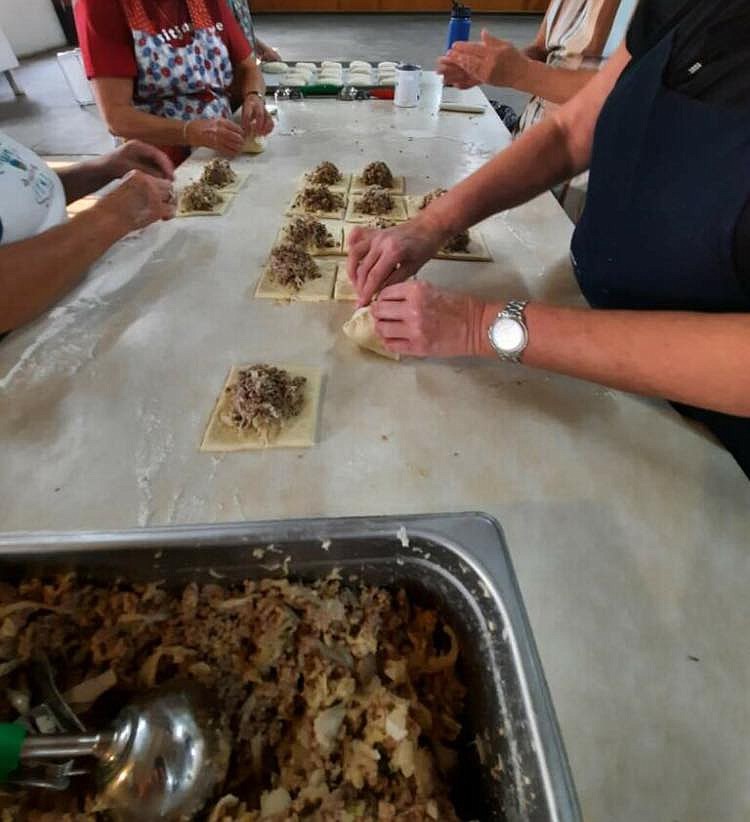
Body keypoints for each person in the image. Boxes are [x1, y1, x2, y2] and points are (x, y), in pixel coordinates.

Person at [347, 0, 750, 478]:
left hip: (717, 455)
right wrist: (431, 224)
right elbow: (570, 129)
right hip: (601, 365)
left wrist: (482, 325)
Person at [439, 0, 638, 220]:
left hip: (589, 179)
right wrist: (486, 66)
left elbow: (628, 92)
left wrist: (520, 73)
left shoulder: (662, 9)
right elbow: (544, 48)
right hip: (531, 151)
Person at [0, 133, 175, 334]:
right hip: (26, 340)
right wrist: (108, 217)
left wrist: (101, 169)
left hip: (73, 292)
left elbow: (24, 199)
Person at [74, 0, 274, 166]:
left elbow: (248, 67)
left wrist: (253, 96)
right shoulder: (102, 5)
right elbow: (117, 117)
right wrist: (190, 131)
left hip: (221, 148)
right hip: (158, 163)